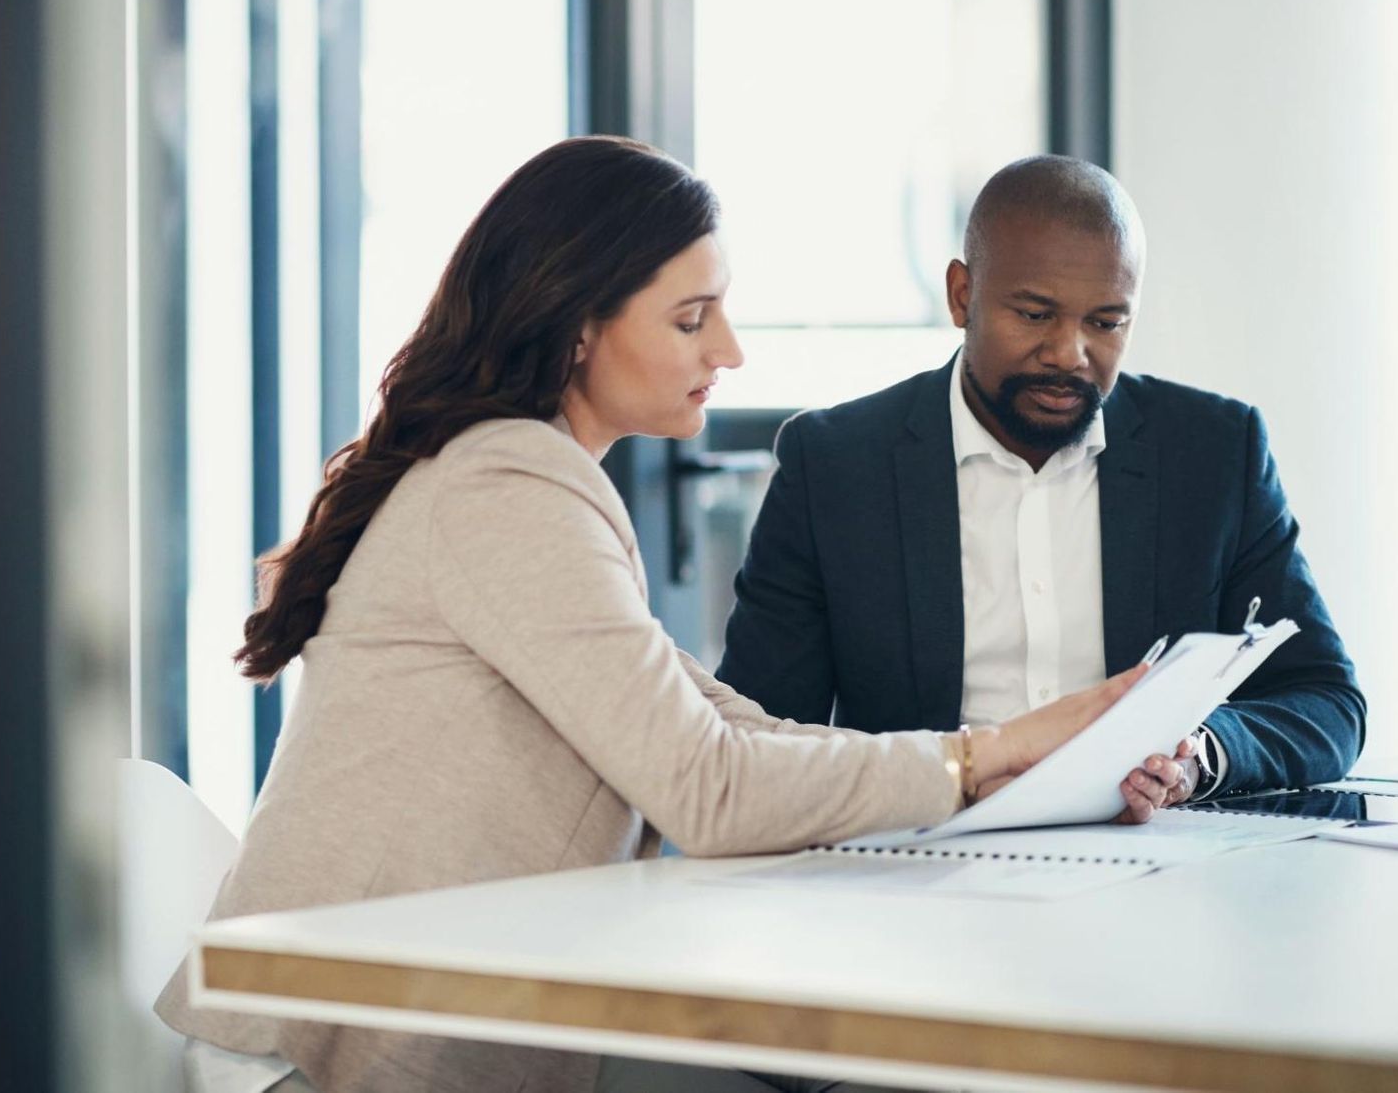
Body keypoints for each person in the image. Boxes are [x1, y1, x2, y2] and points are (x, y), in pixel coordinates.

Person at [155, 138, 1177, 1093]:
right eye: (692, 318)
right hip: (337, 1060)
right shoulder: (504, 488)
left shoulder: (527, 481)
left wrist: (1003, 764)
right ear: (579, 325)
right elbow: (709, 787)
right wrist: (976, 757)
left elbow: (722, 721)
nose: (728, 349)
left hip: (412, 1029)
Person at [717, 155, 1366, 805]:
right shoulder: (836, 466)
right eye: (1034, 315)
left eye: (1106, 323)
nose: (1069, 353)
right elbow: (756, 742)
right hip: (915, 869)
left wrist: (1201, 752)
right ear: (961, 296)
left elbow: (1327, 704)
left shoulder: (1215, 454)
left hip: (1154, 875)